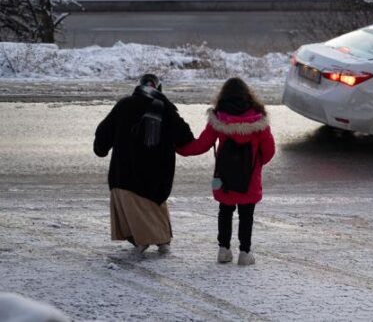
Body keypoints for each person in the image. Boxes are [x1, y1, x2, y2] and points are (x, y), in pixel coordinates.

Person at [177, 77, 275, 265]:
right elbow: (269, 151)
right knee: (247, 215)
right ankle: (245, 253)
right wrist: (258, 164)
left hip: (223, 177)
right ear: (248, 95)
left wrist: (178, 147)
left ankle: (223, 250)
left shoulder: (218, 118)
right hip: (250, 178)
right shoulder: (259, 120)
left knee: (225, 210)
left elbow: (202, 145)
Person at [94, 74, 194, 255]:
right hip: (156, 176)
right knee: (154, 206)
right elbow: (185, 137)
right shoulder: (165, 108)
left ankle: (141, 239)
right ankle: (162, 241)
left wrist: (101, 149)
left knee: (133, 207)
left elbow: (103, 133)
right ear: (159, 89)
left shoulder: (124, 105)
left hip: (125, 173)